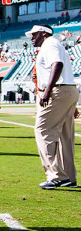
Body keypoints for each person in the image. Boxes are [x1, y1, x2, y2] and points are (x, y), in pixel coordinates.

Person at [26, 25, 79, 189]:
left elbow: (57, 64)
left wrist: (47, 91)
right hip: (67, 90)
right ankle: (69, 177)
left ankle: (56, 175)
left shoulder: (50, 44)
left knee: (43, 130)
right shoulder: (54, 44)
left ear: (43, 33)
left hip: (57, 91)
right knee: (65, 136)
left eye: (34, 35)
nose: (31, 38)